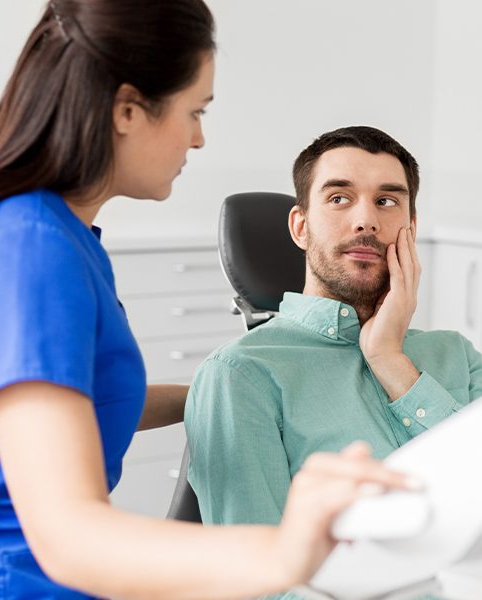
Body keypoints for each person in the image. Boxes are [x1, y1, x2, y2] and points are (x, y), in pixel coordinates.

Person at [0, 4, 414, 599]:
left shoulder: (66, 240)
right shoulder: (34, 248)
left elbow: (72, 405)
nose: (199, 135)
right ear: (127, 111)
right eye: (195, 110)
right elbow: (67, 539)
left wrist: (235, 389)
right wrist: (285, 550)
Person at [185, 126, 482, 597]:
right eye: (340, 198)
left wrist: (390, 360)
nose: (366, 220)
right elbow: (257, 584)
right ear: (301, 227)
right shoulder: (241, 375)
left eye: (387, 201)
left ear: (412, 228)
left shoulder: (457, 356)